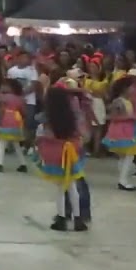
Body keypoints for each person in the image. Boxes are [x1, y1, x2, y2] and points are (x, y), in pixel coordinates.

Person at [37, 87, 88, 232]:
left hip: (55, 154)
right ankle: (78, 219)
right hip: (70, 153)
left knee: (60, 188)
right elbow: (80, 134)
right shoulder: (71, 116)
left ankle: (61, 219)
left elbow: (45, 133)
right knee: (72, 186)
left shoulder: (47, 117)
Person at [104, 76, 136, 191]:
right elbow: (113, 117)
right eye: (132, 87)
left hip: (128, 130)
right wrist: (129, 117)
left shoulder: (128, 101)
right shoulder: (118, 101)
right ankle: (123, 180)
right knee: (128, 155)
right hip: (121, 130)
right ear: (125, 88)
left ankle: (123, 179)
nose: (133, 90)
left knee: (125, 156)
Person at [0, 79, 28, 172]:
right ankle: (23, 163)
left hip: (6, 119)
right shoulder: (21, 99)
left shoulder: (5, 97)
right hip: (17, 120)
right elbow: (24, 112)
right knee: (16, 144)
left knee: (2, 142)